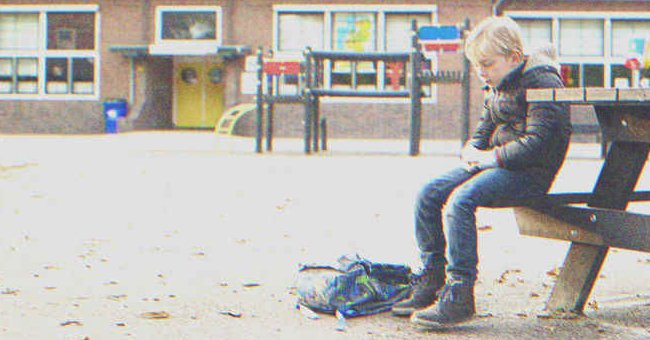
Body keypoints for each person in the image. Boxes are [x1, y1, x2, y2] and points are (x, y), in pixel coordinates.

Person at [391, 16, 571, 327]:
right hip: (497, 163)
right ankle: (432, 276)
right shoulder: (499, 82)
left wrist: (490, 158)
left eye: (487, 64)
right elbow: (485, 126)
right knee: (429, 192)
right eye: (477, 66)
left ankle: (460, 292)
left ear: (514, 57)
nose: (481, 73)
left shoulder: (543, 82)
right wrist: (472, 150)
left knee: (462, 200)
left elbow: (540, 143)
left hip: (530, 174)